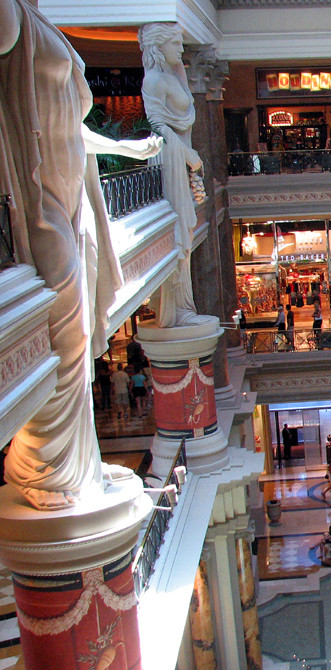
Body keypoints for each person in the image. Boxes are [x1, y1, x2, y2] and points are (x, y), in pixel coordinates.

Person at [0, 0, 161, 509]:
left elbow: (69, 123)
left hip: (71, 192)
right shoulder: (14, 18)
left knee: (79, 326)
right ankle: (50, 468)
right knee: (66, 332)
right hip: (40, 195)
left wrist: (132, 150)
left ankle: (79, 461)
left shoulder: (36, 17)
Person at [139, 23, 203, 327]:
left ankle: (183, 305)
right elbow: (158, 126)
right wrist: (187, 154)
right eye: (176, 43)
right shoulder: (153, 80)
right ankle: (175, 309)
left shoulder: (172, 75)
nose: (181, 48)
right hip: (171, 161)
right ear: (158, 45)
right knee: (181, 228)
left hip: (182, 157)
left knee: (188, 228)